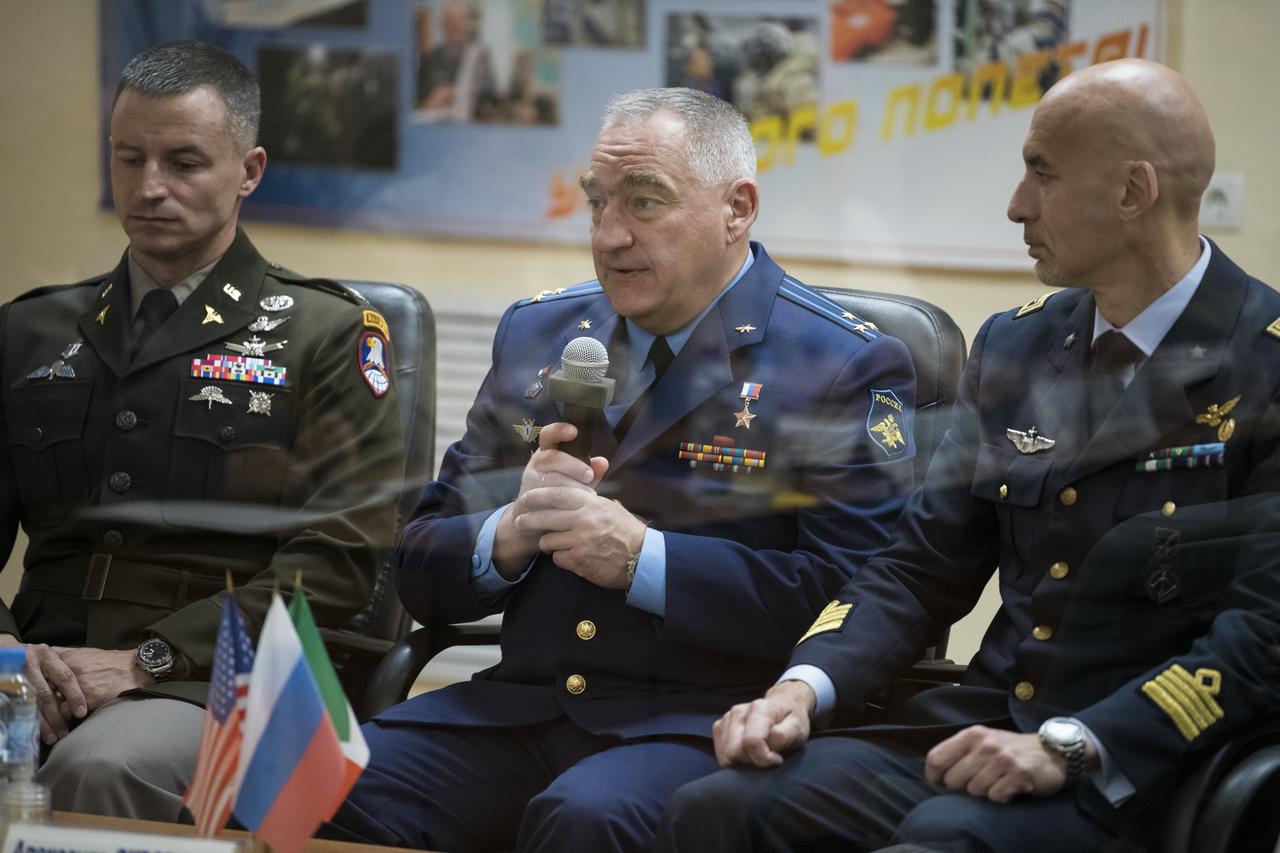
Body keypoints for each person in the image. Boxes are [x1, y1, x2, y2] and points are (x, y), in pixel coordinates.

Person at [656, 58, 1280, 852]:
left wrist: (1074, 744)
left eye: (1041, 174)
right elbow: (921, 564)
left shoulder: (1264, 364)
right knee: (717, 807)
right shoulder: (1019, 342)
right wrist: (803, 687)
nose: (1017, 205)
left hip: (1142, 767)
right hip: (981, 724)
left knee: (944, 838)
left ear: (1133, 192)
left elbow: (1264, 634)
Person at [325, 87, 918, 852]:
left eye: (645, 202)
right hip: (521, 707)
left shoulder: (839, 362)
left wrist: (645, 562)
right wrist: (508, 534)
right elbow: (418, 570)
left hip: (703, 720)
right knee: (305, 788)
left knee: (588, 819)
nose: (609, 236)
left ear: (737, 209)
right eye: (597, 203)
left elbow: (856, 598)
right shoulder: (539, 332)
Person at [0, 41, 403, 821]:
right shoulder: (30, 330)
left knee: (100, 767)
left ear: (248, 171)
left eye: (184, 162)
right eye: (129, 159)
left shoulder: (326, 335)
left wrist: (147, 660)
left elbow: (340, 563)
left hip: (222, 673)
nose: (150, 188)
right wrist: (8, 657)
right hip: (38, 659)